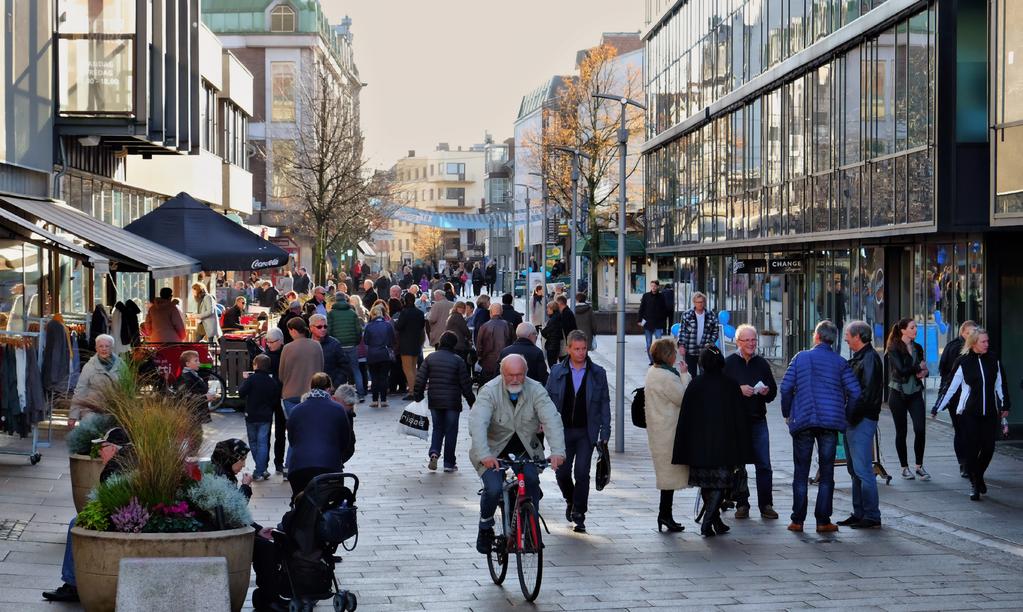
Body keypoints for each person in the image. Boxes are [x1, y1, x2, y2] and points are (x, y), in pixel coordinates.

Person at [469, 354, 566, 554]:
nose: (515, 379)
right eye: (510, 375)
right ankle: (485, 526)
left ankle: (531, 529)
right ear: (502, 374)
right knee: (494, 488)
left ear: (526, 373)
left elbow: (551, 419)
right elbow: (478, 424)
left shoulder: (536, 389)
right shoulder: (489, 391)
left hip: (525, 449)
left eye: (519, 375)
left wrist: (557, 451)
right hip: (493, 449)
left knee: (531, 481)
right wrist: (485, 455)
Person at [779, 320, 860, 533]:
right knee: (826, 472)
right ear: (833, 340)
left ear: (816, 336)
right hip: (830, 422)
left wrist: (787, 412)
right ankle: (823, 521)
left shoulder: (800, 358)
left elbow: (786, 387)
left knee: (801, 471)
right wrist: (846, 415)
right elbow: (855, 392)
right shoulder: (840, 362)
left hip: (804, 421)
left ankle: (797, 520)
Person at [42, 427, 133, 603]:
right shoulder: (131, 460)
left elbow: (112, 505)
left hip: (126, 519)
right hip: (132, 516)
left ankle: (72, 585)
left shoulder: (114, 467)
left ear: (113, 448)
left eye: (103, 447)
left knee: (75, 524)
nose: (99, 452)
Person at [672, 347, 746, 537]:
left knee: (707, 484)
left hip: (700, 446)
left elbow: (685, 418)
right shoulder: (730, 385)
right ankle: (708, 522)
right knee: (720, 483)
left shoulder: (695, 384)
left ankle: (715, 521)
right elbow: (739, 417)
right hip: (723, 445)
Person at [544, 330, 611, 534]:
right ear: (568, 349)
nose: (581, 353)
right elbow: (545, 400)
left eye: (584, 349)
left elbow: (604, 403)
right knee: (562, 472)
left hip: (585, 431)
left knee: (582, 472)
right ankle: (570, 499)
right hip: (562, 432)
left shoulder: (598, 372)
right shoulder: (556, 372)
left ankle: (579, 513)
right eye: (577, 349)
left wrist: (605, 432)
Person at [934, 327, 1010, 501]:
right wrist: (938, 407)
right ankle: (975, 484)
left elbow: (1000, 384)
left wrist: (1005, 404)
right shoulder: (963, 361)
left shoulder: (993, 359)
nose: (987, 344)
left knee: (989, 448)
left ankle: (978, 475)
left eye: (987, 341)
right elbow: (950, 386)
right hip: (969, 414)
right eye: (983, 341)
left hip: (990, 412)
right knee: (972, 448)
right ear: (974, 343)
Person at [723, 325, 779, 520]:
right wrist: (738, 390)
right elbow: (720, 393)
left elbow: (772, 393)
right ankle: (742, 503)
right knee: (739, 465)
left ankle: (766, 504)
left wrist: (766, 391)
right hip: (737, 422)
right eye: (747, 340)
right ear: (738, 342)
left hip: (757, 420)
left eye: (754, 340)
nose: (751, 344)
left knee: (764, 464)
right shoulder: (729, 363)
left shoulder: (762, 363)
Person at [838, 320, 884, 529]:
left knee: (863, 469)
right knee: (854, 470)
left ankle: (872, 515)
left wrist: (851, 416)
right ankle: (859, 512)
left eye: (848, 334)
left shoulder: (870, 359)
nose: (845, 338)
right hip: (854, 418)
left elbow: (867, 394)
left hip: (861, 419)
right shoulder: (859, 357)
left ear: (858, 336)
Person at [644, 338, 691, 533]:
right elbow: (683, 397)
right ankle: (665, 515)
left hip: (660, 429)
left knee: (667, 476)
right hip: (668, 431)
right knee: (669, 476)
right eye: (673, 353)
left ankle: (665, 515)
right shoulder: (667, 376)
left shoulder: (653, 372)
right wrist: (685, 374)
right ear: (668, 356)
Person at [286, 372, 355, 499]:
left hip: (298, 467)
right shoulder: (338, 409)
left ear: (311, 387)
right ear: (329, 389)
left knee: (301, 503)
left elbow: (292, 440)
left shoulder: (296, 410)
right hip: (328, 466)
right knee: (331, 502)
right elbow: (346, 440)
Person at [414, 332, 476, 472]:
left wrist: (417, 395)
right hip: (453, 401)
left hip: (435, 400)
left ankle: (434, 452)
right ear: (453, 344)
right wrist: (472, 401)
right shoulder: (458, 360)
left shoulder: (430, 358)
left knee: (437, 428)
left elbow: (420, 379)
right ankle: (449, 463)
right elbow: (465, 384)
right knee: (451, 431)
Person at [886, 318, 930, 481]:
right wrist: (918, 368)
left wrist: (924, 372)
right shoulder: (894, 348)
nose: (915, 330)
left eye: (916, 327)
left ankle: (919, 466)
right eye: (912, 327)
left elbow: (924, 369)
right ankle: (904, 467)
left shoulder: (918, 347)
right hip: (898, 394)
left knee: (920, 429)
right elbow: (902, 370)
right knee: (901, 432)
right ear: (903, 330)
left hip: (915, 392)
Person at [279, 317, 324, 476]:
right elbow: (321, 370)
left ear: (292, 330)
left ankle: (288, 465)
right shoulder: (316, 346)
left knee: (294, 431)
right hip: (311, 394)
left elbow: (281, 374)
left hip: (290, 394)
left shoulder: (287, 348)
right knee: (311, 430)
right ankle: (311, 463)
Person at [936, 320, 978, 477]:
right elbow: (946, 372)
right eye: (969, 333)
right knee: (961, 431)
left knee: (968, 431)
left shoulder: (976, 347)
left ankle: (968, 462)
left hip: (969, 396)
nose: (972, 335)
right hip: (956, 396)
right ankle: (964, 463)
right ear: (963, 333)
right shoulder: (955, 347)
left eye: (975, 332)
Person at [238, 354, 281, 481]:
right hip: (266, 417)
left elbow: (241, 393)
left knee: (253, 442)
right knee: (263, 444)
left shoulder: (251, 379)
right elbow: (275, 399)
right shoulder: (271, 381)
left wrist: (245, 379)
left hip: (251, 415)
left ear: (256, 365)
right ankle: (262, 469)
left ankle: (259, 470)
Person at [68, 334, 124, 427]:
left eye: (107, 346)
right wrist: (73, 416)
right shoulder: (89, 366)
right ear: (96, 348)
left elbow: (126, 390)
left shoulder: (121, 365)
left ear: (112, 348)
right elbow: (80, 391)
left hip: (114, 411)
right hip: (91, 411)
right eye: (101, 346)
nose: (104, 349)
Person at [327, 292, 366, 402]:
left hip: (337, 345)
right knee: (355, 369)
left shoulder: (331, 314)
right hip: (351, 345)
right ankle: (361, 394)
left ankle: (341, 394)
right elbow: (358, 330)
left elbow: (329, 330)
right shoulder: (352, 313)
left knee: (339, 370)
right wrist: (356, 342)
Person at [263, 328, 288, 474]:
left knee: (280, 432)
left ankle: (279, 462)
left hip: (282, 396)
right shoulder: (265, 356)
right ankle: (264, 465)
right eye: (268, 341)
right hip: (268, 398)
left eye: (272, 342)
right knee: (265, 433)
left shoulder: (287, 353)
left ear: (281, 341)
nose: (269, 344)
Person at [677, 291, 718, 374]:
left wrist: (710, 342)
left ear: (704, 302)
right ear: (694, 302)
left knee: (705, 374)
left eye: (702, 302)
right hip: (690, 349)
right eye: (698, 302)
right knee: (690, 375)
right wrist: (681, 345)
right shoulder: (687, 314)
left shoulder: (711, 315)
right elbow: (682, 331)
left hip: (705, 350)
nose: (700, 304)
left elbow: (715, 330)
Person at [363, 304, 396, 407]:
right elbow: (392, 341)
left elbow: (366, 341)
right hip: (384, 354)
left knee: (374, 377)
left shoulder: (369, 326)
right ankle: (383, 400)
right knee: (384, 377)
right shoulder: (388, 325)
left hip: (372, 354)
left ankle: (374, 400)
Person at [309, 313, 351, 391]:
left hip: (330, 390)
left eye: (325, 326)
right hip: (310, 390)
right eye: (319, 327)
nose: (323, 329)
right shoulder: (306, 344)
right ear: (311, 328)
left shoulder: (334, 344)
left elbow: (345, 366)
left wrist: (334, 385)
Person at [174, 350, 217, 425]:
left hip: (197, 414)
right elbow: (187, 398)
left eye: (198, 360)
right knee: (193, 435)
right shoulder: (185, 378)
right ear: (187, 364)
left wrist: (209, 396)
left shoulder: (193, 374)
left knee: (197, 434)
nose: (199, 363)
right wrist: (205, 397)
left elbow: (198, 391)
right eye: (196, 361)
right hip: (190, 417)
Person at [476, 304, 514, 384]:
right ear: (501, 312)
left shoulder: (484, 326)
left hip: (488, 363)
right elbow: (513, 343)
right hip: (505, 362)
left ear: (490, 313)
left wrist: (480, 358)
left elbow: (479, 346)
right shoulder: (508, 325)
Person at [638, 280, 670, 362]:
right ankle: (652, 360)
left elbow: (665, 309)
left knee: (659, 343)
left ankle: (658, 360)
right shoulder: (646, 296)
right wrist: (639, 320)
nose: (653, 287)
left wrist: (663, 321)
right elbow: (641, 308)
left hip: (658, 324)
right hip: (648, 323)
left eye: (655, 286)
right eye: (652, 286)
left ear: (658, 287)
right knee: (649, 344)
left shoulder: (662, 296)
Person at [540, 301, 564, 367]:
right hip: (555, 344)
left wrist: (543, 331)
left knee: (552, 365)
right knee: (554, 363)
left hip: (552, 345)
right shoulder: (558, 317)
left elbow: (544, 332)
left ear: (552, 309)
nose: (547, 310)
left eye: (548, 308)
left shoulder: (554, 319)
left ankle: (555, 376)